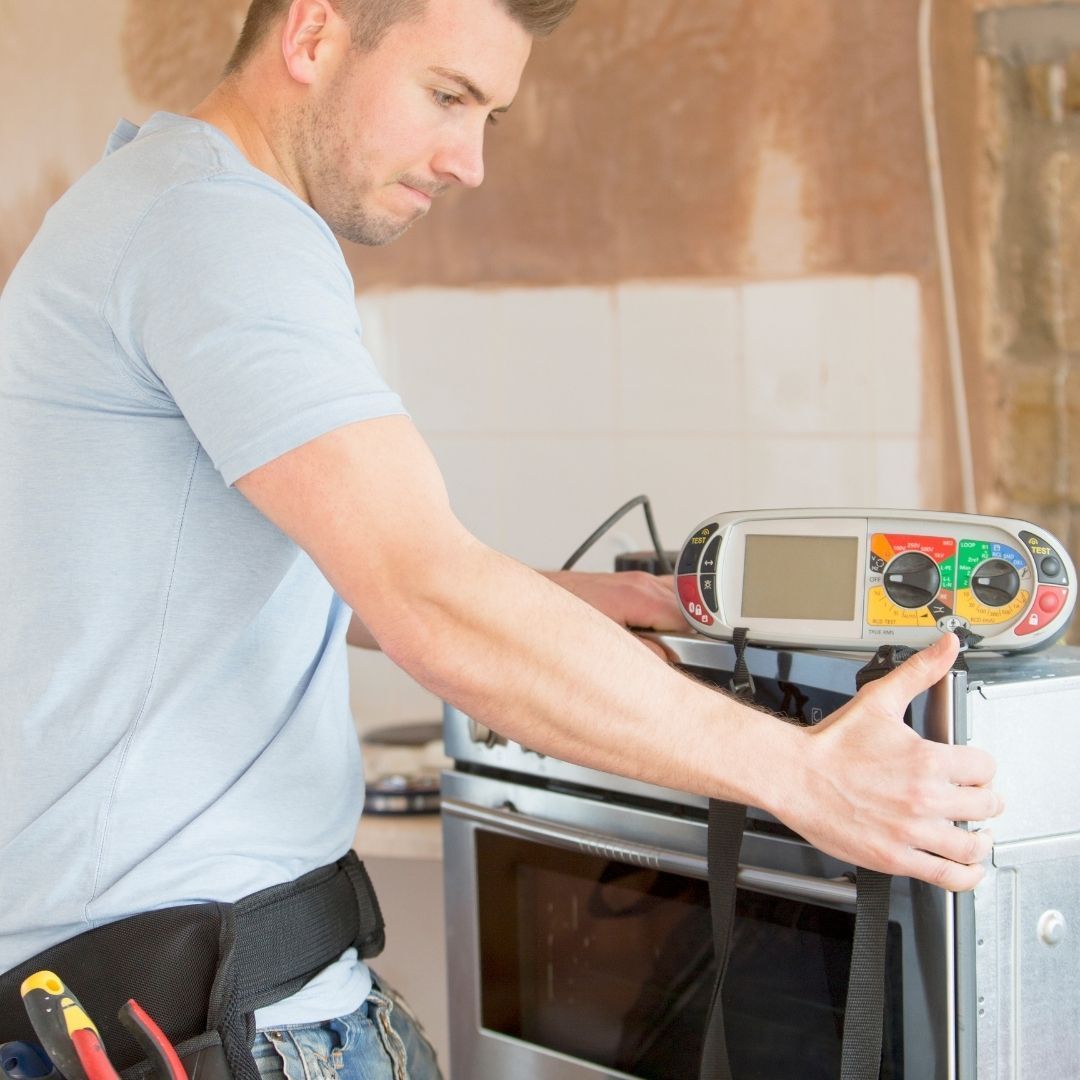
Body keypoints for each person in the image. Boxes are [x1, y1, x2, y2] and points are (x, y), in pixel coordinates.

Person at [0, 0, 1001, 1076]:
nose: (470, 160)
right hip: (209, 1024)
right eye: (447, 96)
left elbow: (251, 577)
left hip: (137, 1002)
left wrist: (578, 601)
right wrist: (806, 776)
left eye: (493, 117)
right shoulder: (221, 227)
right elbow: (425, 595)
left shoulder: (140, 200)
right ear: (313, 34)